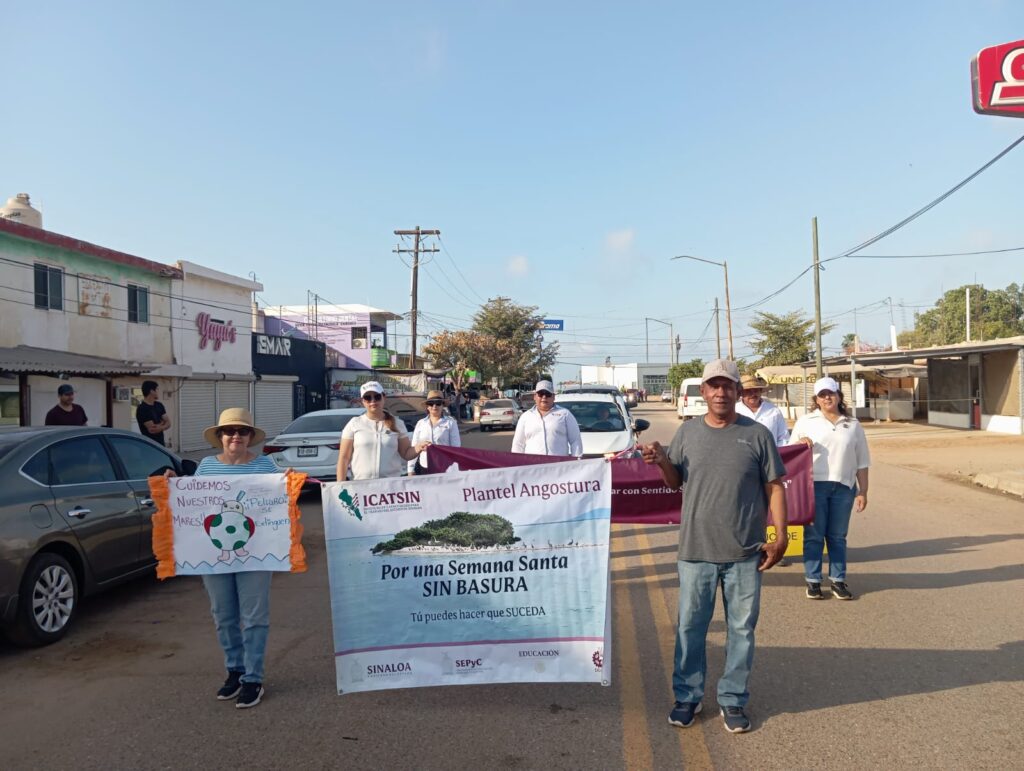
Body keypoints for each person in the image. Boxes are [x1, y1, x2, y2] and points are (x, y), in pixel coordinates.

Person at [641, 359, 787, 734]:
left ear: (738, 392)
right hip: (695, 552)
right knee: (690, 628)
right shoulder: (688, 434)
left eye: (728, 386)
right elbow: (675, 482)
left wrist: (780, 534)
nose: (721, 392)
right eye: (714, 386)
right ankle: (687, 697)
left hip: (744, 553)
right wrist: (661, 462)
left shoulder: (757, 435)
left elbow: (775, 486)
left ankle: (733, 699)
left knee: (742, 630)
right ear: (703, 392)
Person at [192, 408, 279, 709]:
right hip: (214, 555)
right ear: (220, 437)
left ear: (251, 437)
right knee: (224, 616)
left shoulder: (267, 467)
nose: (235, 436)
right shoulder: (205, 467)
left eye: (242, 431)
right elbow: (192, 507)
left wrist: (290, 484)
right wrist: (171, 485)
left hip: (256, 553)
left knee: (254, 617)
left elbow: (280, 505)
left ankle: (253, 678)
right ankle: (235, 670)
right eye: (229, 431)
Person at [789, 376, 870, 601]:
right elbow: (789, 453)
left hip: (844, 487)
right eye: (822, 395)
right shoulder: (806, 421)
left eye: (831, 393)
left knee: (837, 536)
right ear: (816, 398)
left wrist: (863, 491)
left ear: (838, 395)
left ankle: (837, 580)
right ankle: (813, 581)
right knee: (814, 536)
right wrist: (799, 443)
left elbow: (862, 461)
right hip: (814, 486)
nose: (827, 398)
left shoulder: (852, 424)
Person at [336, 381, 430, 481]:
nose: (373, 401)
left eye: (377, 397)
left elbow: (406, 453)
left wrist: (419, 447)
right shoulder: (354, 424)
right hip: (361, 486)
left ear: (383, 397)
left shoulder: (398, 424)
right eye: (368, 398)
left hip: (390, 486)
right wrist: (340, 485)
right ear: (362, 401)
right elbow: (344, 459)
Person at [511, 380, 583, 457]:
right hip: (532, 467)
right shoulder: (525, 417)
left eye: (547, 394)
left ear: (553, 397)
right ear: (535, 396)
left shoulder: (565, 414)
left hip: (558, 466)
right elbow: (518, 445)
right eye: (541, 394)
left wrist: (576, 462)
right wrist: (517, 464)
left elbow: (575, 441)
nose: (544, 397)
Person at [408, 390, 461, 475]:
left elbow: (456, 448)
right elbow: (414, 447)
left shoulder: (450, 423)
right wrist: (410, 469)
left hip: (445, 467)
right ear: (427, 406)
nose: (434, 406)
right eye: (431, 403)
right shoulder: (420, 423)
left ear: (443, 405)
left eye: (438, 403)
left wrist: (455, 469)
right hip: (424, 467)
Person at [736, 375, 789, 447]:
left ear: (760, 391)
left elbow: (784, 438)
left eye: (755, 390)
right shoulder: (734, 410)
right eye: (748, 391)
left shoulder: (774, 410)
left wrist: (776, 453)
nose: (753, 394)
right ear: (741, 393)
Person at [136, 380, 171, 446]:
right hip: (149, 447)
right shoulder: (142, 409)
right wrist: (163, 423)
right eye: (157, 389)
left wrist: (160, 426)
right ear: (152, 391)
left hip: (161, 446)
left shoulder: (159, 405)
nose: (159, 391)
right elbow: (153, 430)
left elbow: (169, 423)